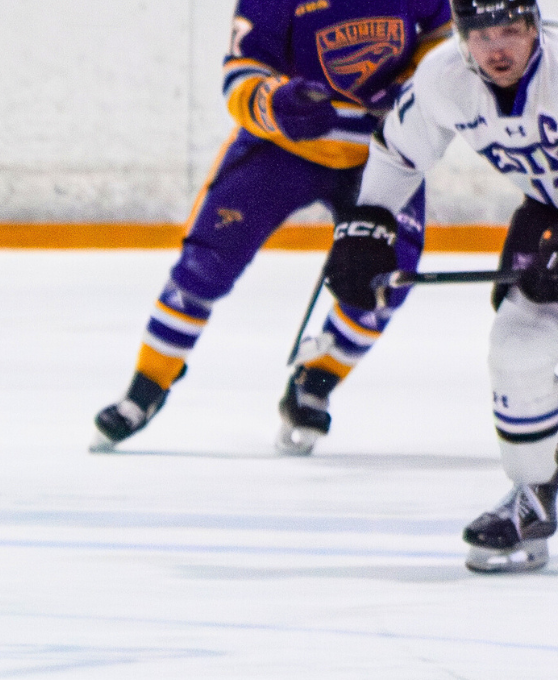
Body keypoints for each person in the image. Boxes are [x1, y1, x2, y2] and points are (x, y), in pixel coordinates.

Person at [324, 0, 558, 571]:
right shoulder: (444, 79)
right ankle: (531, 494)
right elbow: (397, 153)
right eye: (480, 34)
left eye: (511, 32)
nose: (496, 49)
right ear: (460, 35)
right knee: (517, 346)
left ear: (535, 28)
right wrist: (367, 223)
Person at [92, 0, 452, 455]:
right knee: (205, 265)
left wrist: (417, 82)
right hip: (279, 149)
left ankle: (315, 380)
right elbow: (241, 71)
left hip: (382, 156)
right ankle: (146, 386)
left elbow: (447, 37)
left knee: (383, 282)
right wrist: (274, 102)